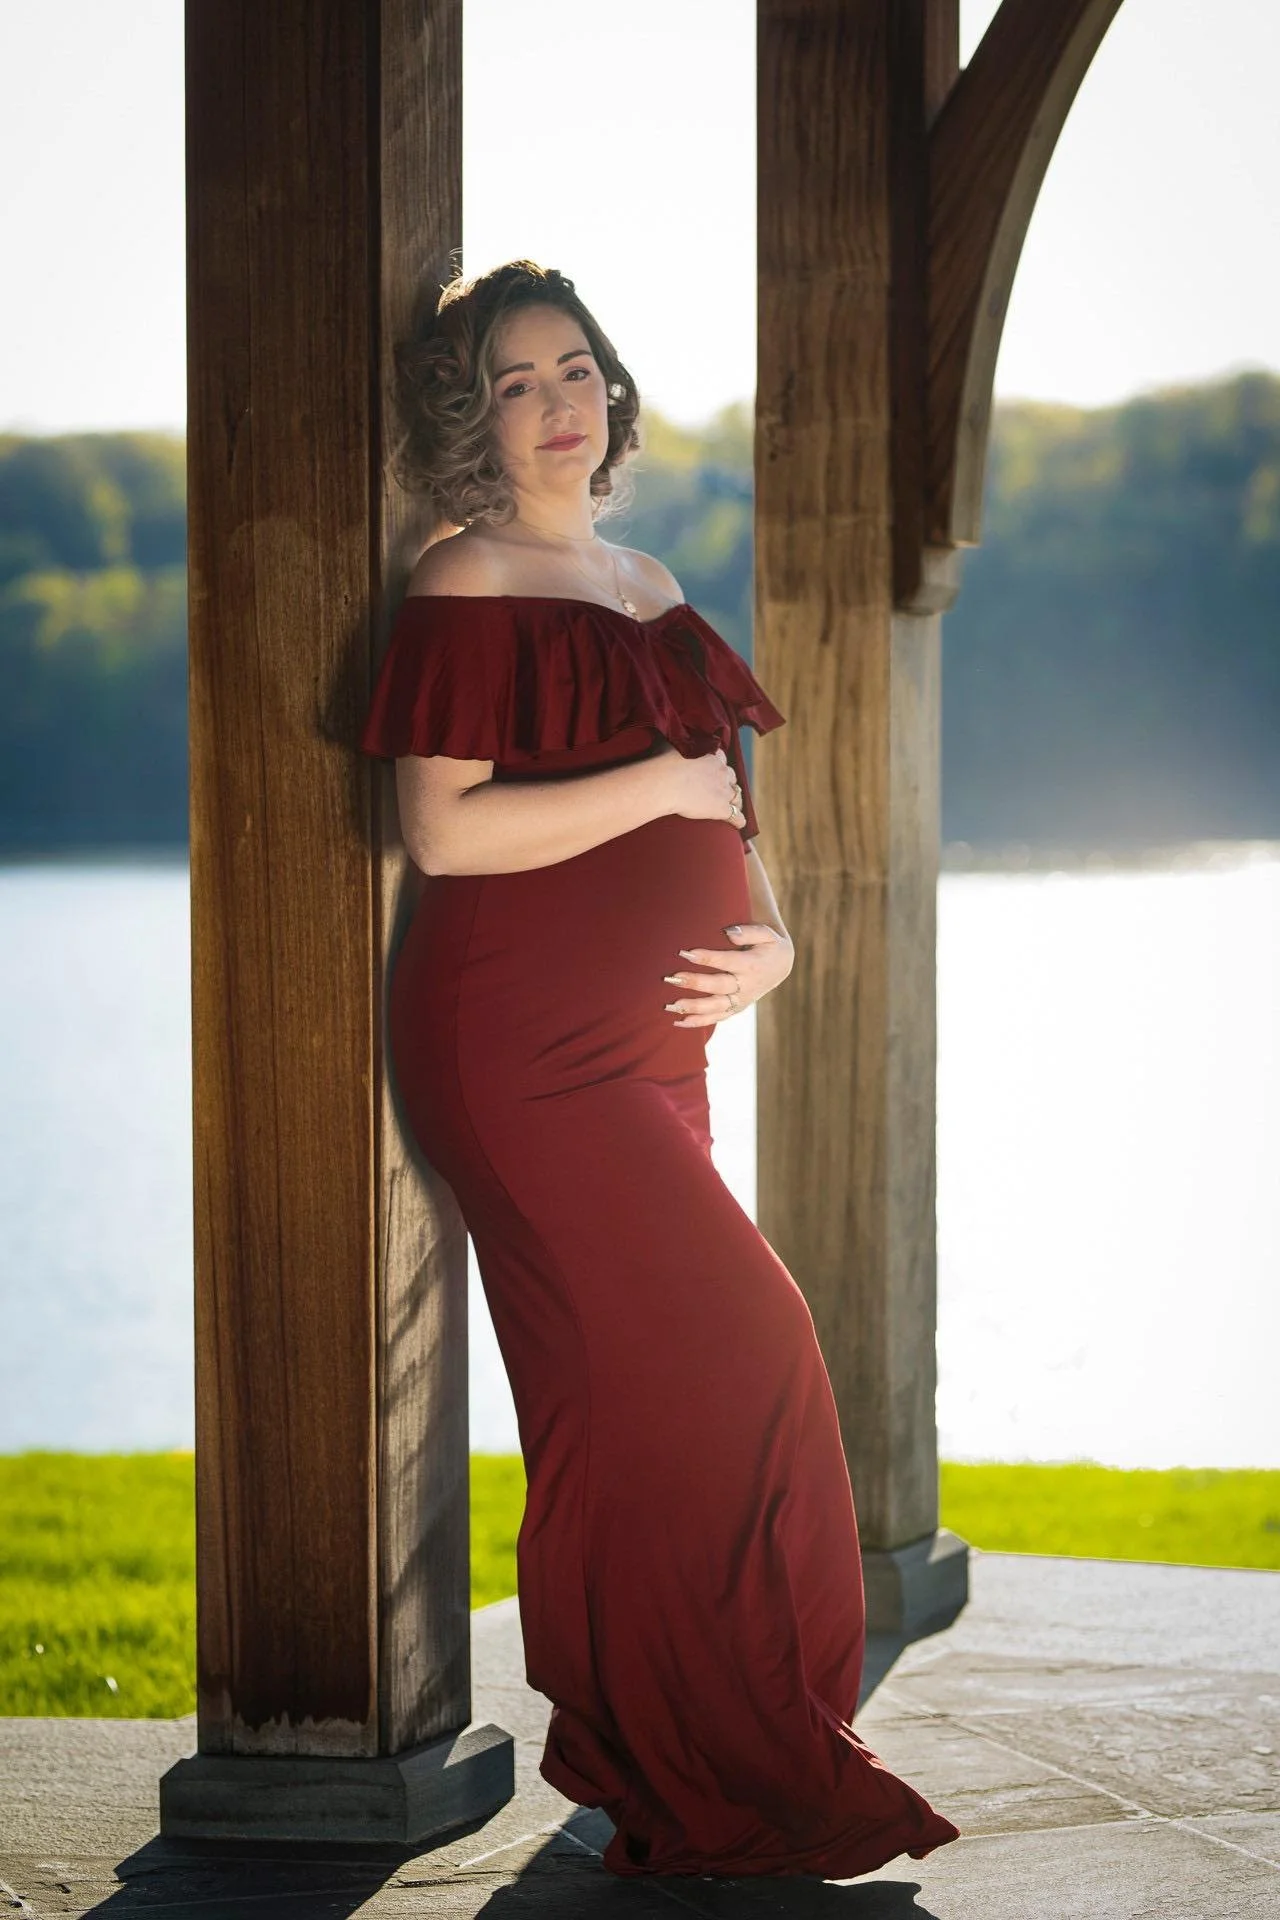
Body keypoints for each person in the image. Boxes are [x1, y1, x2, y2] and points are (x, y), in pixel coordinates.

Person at [358, 259, 959, 1880]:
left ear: (612, 388)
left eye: (576, 371)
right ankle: (722, 1744)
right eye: (514, 383)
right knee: (744, 1346)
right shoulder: (465, 576)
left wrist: (772, 940)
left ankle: (695, 1742)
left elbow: (722, 807)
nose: (558, 406)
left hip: (653, 1050)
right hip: (519, 1046)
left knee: (631, 1409)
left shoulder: (645, 574)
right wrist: (663, 796)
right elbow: (444, 828)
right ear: (473, 420)